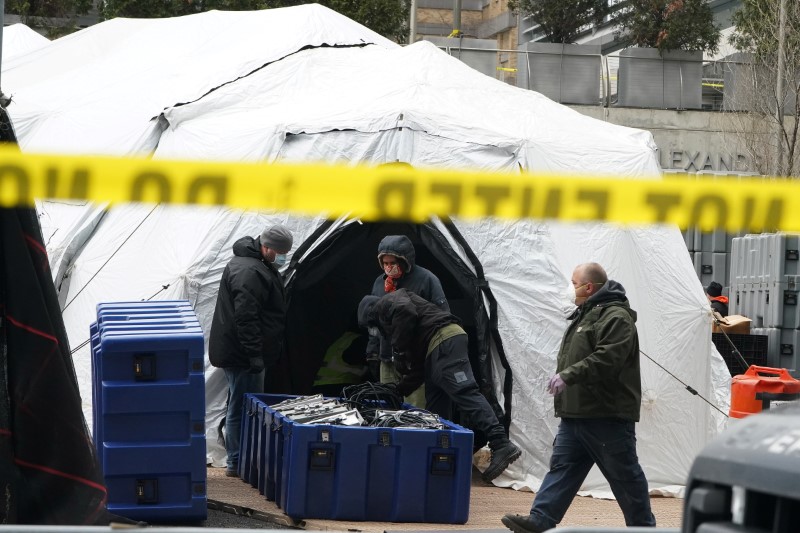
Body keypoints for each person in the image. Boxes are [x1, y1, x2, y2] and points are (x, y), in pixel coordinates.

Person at [501, 263, 656, 533]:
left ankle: (643, 528)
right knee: (562, 469)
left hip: (606, 414)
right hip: (576, 414)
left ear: (589, 287)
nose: (570, 288)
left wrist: (569, 375)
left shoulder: (616, 317)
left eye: (574, 283)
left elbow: (608, 358)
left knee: (625, 476)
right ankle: (540, 520)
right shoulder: (587, 314)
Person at [358, 289, 521, 483]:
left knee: (465, 392)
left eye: (373, 327)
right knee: (436, 409)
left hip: (445, 341)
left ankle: (500, 442)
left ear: (371, 314)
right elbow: (418, 369)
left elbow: (405, 310)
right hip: (436, 348)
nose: (377, 333)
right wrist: (396, 391)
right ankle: (441, 458)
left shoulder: (387, 303)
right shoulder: (413, 329)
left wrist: (399, 351)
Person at [209, 224, 293, 477]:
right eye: (279, 251)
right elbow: (246, 317)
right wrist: (254, 353)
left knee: (240, 402)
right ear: (265, 247)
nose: (282, 256)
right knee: (243, 407)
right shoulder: (249, 270)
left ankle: (241, 459)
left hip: (239, 351)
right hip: (242, 354)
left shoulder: (257, 265)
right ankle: (237, 461)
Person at [367, 235, 449, 408]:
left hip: (414, 361)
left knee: (414, 410)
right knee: (387, 408)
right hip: (387, 359)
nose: (389, 267)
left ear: (405, 260)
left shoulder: (427, 280)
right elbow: (374, 323)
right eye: (385, 263)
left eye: (393, 263)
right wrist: (373, 352)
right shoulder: (378, 283)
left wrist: (436, 357)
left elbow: (442, 319)